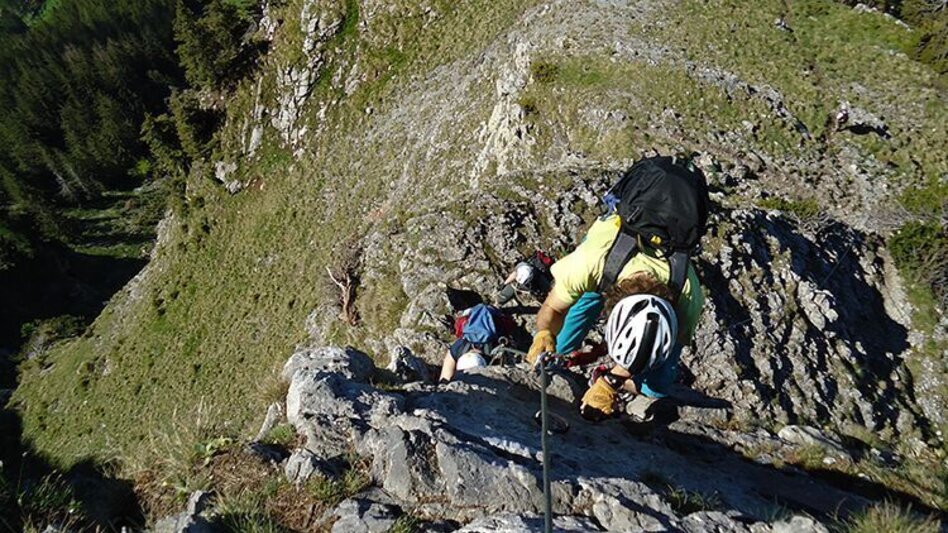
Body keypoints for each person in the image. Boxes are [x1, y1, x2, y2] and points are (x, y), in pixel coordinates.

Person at [526, 156, 706, 421]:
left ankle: (637, 385)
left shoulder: (688, 294)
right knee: (561, 339)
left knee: (657, 384)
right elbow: (552, 307)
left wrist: (611, 381)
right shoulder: (590, 262)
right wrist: (543, 334)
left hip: (624, 270)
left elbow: (656, 344)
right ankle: (564, 353)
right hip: (610, 255)